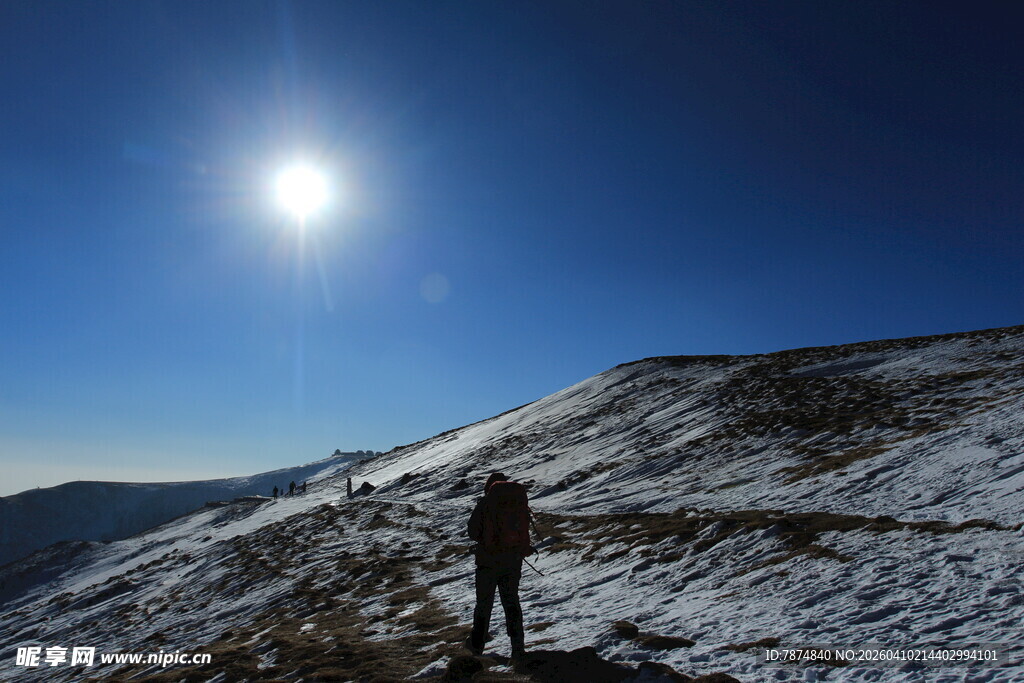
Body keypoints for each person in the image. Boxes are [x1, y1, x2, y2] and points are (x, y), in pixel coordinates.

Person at [466, 472, 531, 659]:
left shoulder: (486, 503)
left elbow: (472, 531)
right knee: (512, 603)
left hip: (487, 563)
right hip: (512, 561)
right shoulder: (517, 502)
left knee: (483, 606)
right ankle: (518, 649)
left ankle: (477, 648)